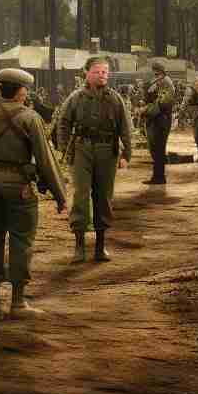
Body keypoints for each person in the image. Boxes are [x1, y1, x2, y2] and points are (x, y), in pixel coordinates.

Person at [0, 67, 67, 321]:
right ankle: (18, 302)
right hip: (18, 185)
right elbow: (45, 160)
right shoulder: (30, 118)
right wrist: (60, 195)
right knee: (21, 241)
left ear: (1, 89)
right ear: (21, 91)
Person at [55, 56, 133, 264]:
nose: (102, 75)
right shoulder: (75, 98)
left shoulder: (115, 99)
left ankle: (100, 245)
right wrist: (65, 149)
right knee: (81, 194)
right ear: (87, 74)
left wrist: (126, 155)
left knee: (104, 196)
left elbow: (125, 128)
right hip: (82, 150)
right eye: (98, 71)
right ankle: (79, 245)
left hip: (108, 151)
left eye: (105, 72)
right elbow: (63, 123)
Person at [141, 61, 176, 185]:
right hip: (156, 119)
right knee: (155, 149)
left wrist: (145, 110)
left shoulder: (165, 82)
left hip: (161, 119)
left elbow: (163, 102)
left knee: (158, 148)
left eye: (155, 70)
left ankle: (159, 177)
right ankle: (157, 176)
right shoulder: (159, 81)